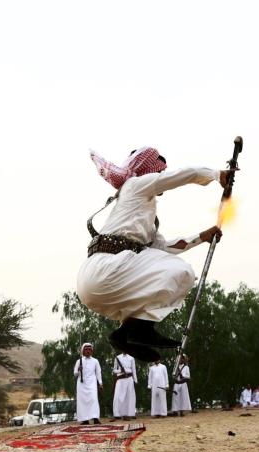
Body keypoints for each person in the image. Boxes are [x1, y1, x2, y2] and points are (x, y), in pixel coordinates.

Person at [79, 147, 230, 362]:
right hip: (109, 268)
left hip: (95, 283)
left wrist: (202, 237)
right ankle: (138, 329)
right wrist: (215, 174)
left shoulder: (143, 215)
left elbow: (165, 248)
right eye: (158, 171)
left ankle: (129, 332)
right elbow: (179, 176)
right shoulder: (135, 185)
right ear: (147, 170)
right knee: (182, 271)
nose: (159, 177)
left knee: (176, 270)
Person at [73, 342, 103, 424]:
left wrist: (100, 383)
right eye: (86, 350)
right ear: (83, 351)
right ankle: (85, 420)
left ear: (92, 351)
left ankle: (95, 418)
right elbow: (75, 374)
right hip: (81, 384)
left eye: (89, 349)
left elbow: (98, 372)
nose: (88, 351)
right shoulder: (79, 361)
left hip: (92, 383)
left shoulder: (95, 361)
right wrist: (79, 369)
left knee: (93, 399)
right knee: (82, 401)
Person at [111, 349, 137, 421]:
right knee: (117, 397)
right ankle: (117, 415)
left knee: (128, 397)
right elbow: (114, 370)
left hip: (129, 379)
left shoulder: (131, 358)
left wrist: (135, 380)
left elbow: (134, 370)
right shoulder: (117, 358)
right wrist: (120, 371)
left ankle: (127, 415)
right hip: (120, 379)